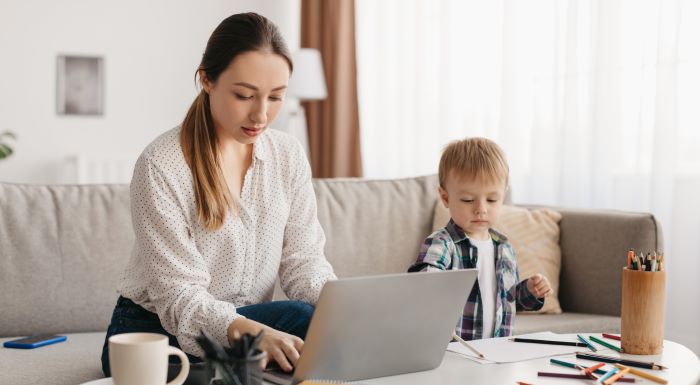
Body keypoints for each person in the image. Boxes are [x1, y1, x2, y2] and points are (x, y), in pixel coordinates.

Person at [101, 12, 336, 376]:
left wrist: (349, 311)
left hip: (247, 327)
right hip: (155, 330)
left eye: (276, 97)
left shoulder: (288, 155)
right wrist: (257, 334)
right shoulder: (162, 164)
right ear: (207, 80)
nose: (261, 114)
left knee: (320, 325)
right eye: (244, 95)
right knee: (298, 327)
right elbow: (181, 299)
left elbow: (304, 263)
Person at [408, 138, 552, 340]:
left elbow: (509, 301)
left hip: (498, 349)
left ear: (503, 196)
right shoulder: (442, 243)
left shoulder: (504, 247)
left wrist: (530, 291)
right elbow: (424, 282)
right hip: (455, 351)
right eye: (468, 200)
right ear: (446, 198)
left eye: (492, 200)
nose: (481, 209)